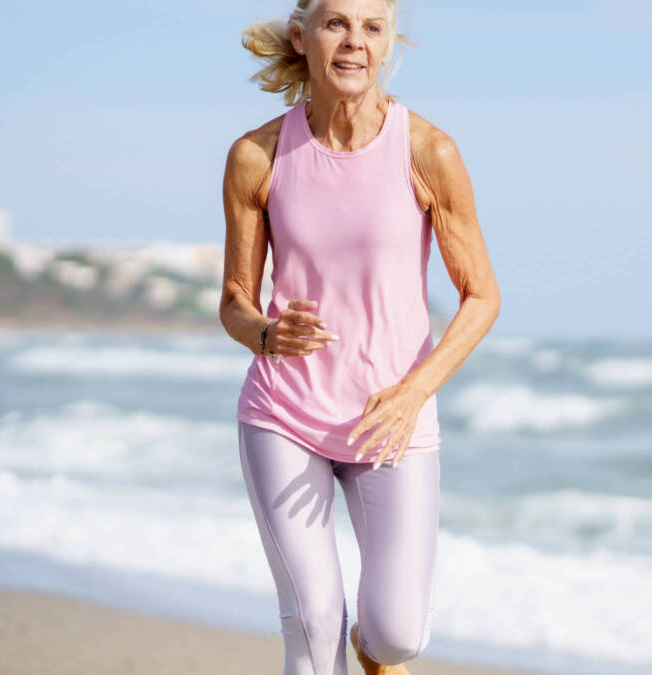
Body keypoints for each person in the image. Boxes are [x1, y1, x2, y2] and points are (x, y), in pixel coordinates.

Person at [219, 0, 500, 672]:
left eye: (372, 27)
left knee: (396, 633)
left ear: (388, 41)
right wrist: (263, 333)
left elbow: (482, 296)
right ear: (302, 35)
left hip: (390, 420)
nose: (354, 42)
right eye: (336, 23)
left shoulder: (429, 150)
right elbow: (234, 301)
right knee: (314, 622)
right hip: (284, 413)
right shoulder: (256, 156)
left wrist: (414, 392)